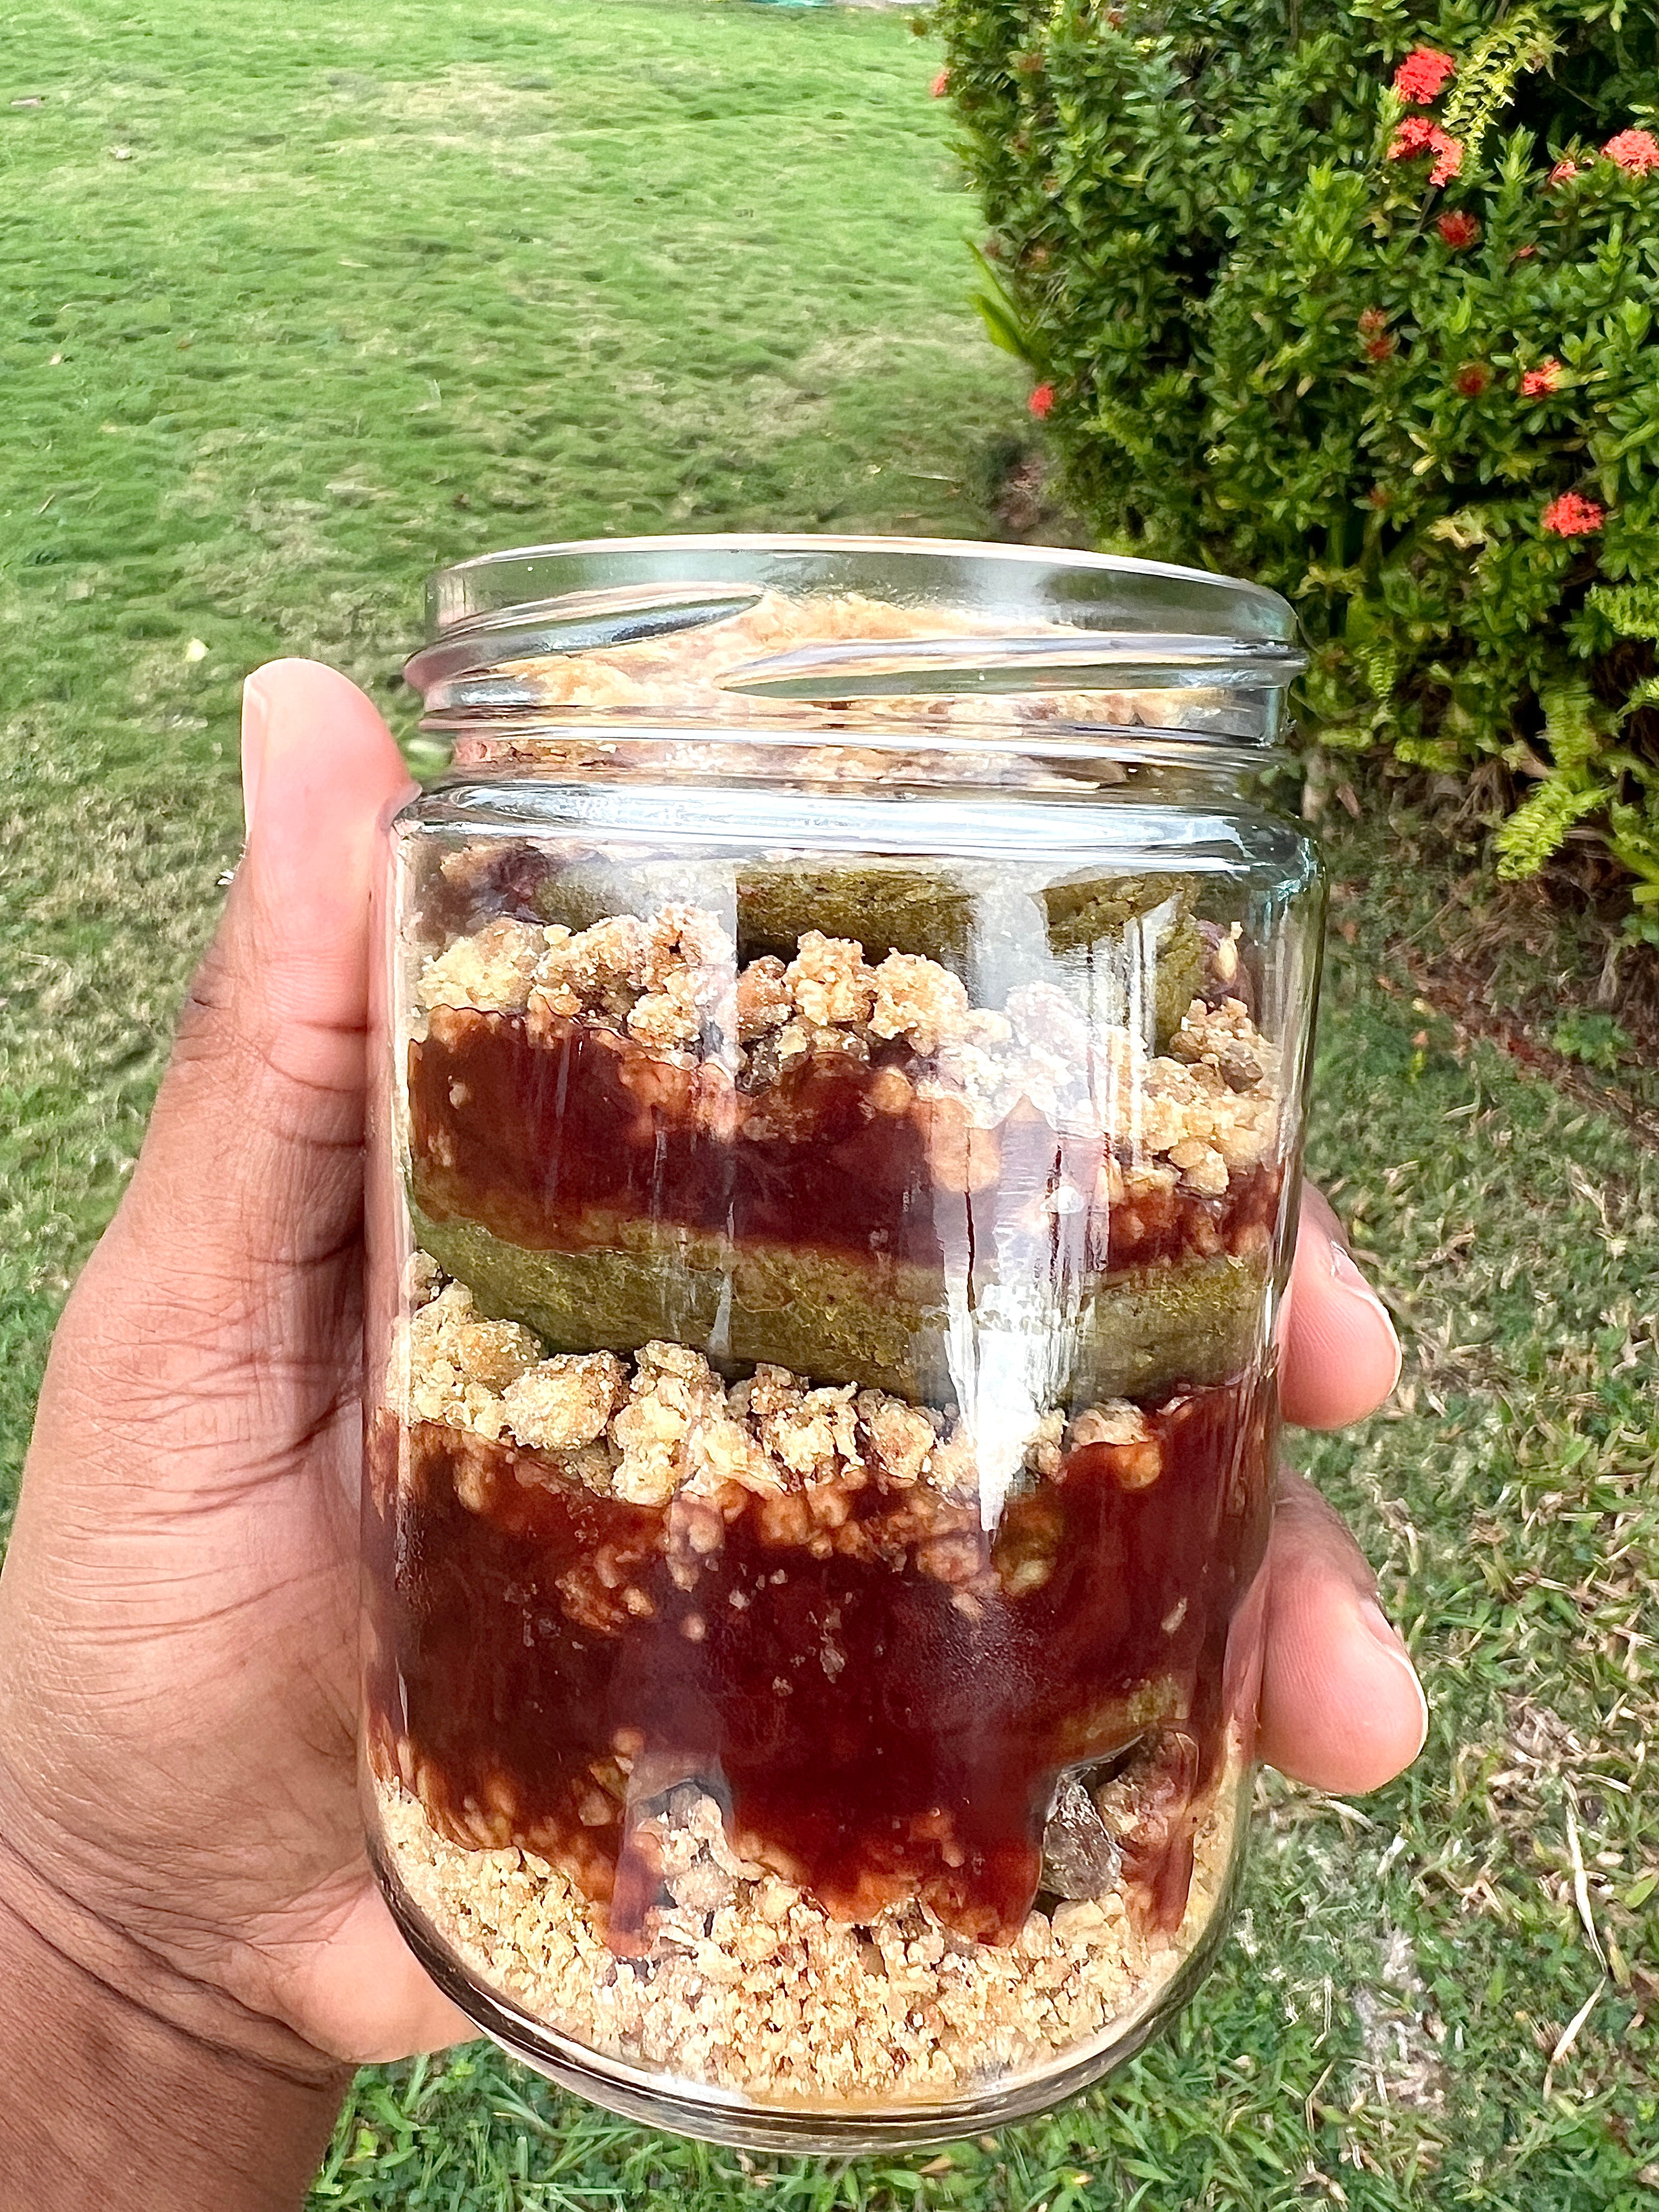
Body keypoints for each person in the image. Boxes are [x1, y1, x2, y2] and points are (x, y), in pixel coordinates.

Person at [0, 661, 1427, 2210]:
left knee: (1131, 1435)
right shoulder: (507, 902)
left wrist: (118, 1955)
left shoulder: (1188, 908)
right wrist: (109, 1922)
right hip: (400, 1800)